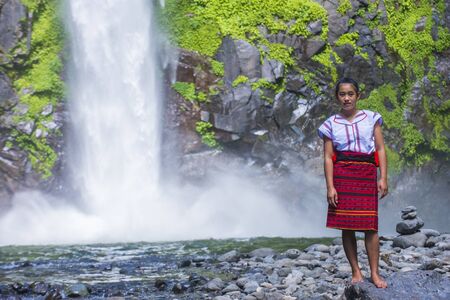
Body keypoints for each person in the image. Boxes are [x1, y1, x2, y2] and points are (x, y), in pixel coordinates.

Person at [317, 77, 388, 288]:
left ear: (358, 95)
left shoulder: (371, 118)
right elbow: (328, 157)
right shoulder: (330, 124)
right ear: (337, 97)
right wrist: (330, 186)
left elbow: (380, 149)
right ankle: (356, 271)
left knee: (370, 225)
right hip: (343, 175)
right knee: (346, 226)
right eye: (342, 94)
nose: (346, 98)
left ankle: (375, 273)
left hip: (366, 173)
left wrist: (383, 177)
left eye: (350, 94)